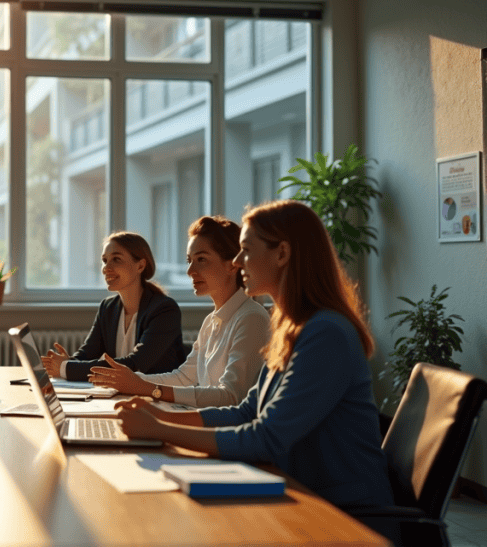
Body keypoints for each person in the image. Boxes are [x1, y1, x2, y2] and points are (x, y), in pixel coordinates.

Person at [116, 200, 394, 510]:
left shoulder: (325, 332)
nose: (237, 261)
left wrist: (160, 430)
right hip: (300, 492)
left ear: (282, 254)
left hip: (344, 513)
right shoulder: (293, 326)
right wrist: (161, 415)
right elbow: (246, 411)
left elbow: (266, 438)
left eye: (246, 250)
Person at [88, 217, 270, 407]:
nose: (190, 270)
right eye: (189, 260)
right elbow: (183, 377)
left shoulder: (251, 318)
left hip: (220, 432)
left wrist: (147, 388)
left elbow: (231, 397)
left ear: (232, 264)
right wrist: (131, 380)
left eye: (201, 260)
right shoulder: (211, 321)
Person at [42, 232, 187, 382]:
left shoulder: (165, 310)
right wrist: (68, 363)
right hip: (121, 395)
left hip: (157, 399)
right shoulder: (108, 307)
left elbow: (134, 365)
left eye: (116, 259)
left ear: (140, 266)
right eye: (105, 260)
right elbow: (87, 354)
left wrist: (66, 367)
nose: (106, 268)